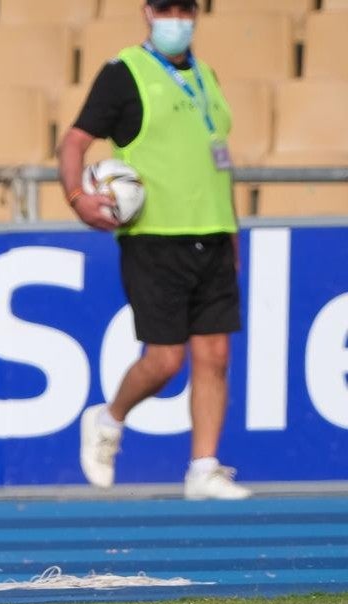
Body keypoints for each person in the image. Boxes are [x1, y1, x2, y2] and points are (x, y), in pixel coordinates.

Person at [59, 0, 250, 500]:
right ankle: (108, 417)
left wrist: (232, 232)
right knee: (165, 360)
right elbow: (74, 142)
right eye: (167, 8)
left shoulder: (207, 75)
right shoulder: (126, 72)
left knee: (216, 353)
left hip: (212, 230)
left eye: (185, 9)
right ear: (147, 12)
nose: (177, 18)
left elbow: (217, 162)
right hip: (155, 237)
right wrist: (79, 199)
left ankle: (203, 467)